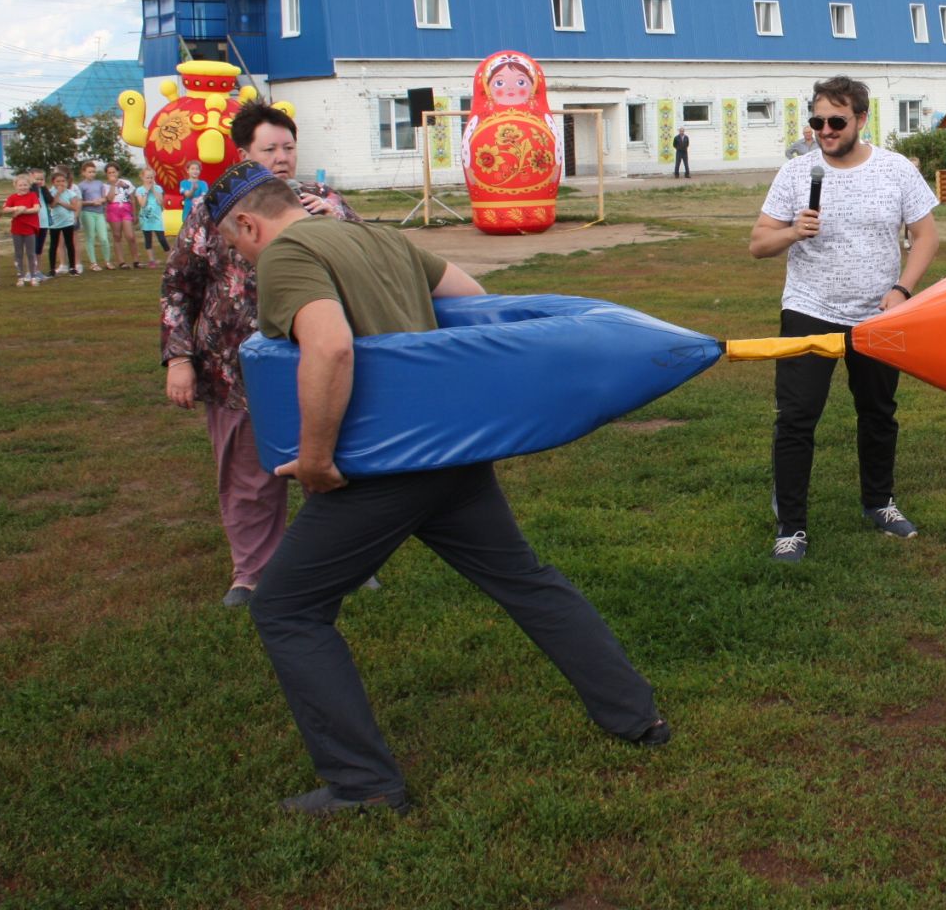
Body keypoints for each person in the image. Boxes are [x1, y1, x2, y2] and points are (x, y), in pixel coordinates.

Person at [202, 163, 666, 815]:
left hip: (382, 469)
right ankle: (637, 716)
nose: (241, 258)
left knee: (285, 608)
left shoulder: (288, 253)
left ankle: (364, 786)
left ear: (249, 223)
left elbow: (330, 348)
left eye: (234, 245)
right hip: (450, 456)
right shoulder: (377, 237)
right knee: (523, 579)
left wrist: (314, 460)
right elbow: (469, 299)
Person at [162, 102, 362, 606]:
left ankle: (344, 563)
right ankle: (253, 573)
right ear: (243, 153)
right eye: (268, 149)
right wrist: (180, 359)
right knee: (248, 476)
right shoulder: (214, 211)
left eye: (288, 148)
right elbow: (178, 286)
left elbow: (367, 260)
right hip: (235, 369)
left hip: (315, 360)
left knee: (329, 465)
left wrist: (335, 220)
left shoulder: (325, 202)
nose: (281, 158)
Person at [750, 77, 939, 562]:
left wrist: (902, 291)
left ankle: (880, 502)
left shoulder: (896, 170)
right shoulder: (796, 173)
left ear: (860, 119)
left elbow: (926, 237)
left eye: (836, 121)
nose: (825, 131)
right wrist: (793, 231)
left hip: (879, 315)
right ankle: (791, 527)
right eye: (817, 122)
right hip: (808, 308)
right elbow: (758, 245)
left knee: (878, 413)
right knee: (795, 418)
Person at [3, 173, 43, 286]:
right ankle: (20, 276)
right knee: (18, 253)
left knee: (31, 253)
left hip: (30, 228)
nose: (23, 187)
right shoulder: (12, 197)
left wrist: (22, 210)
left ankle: (33, 276)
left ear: (29, 185)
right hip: (17, 229)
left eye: (25, 185)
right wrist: (16, 208)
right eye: (20, 185)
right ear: (15, 185)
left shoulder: (32, 196)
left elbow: (36, 209)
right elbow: (5, 209)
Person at [77, 160, 112, 270]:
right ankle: (93, 263)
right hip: (87, 213)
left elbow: (104, 197)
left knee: (104, 238)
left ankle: (107, 261)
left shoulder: (99, 183)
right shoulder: (81, 186)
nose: (92, 174)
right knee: (90, 237)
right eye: (89, 172)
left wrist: (101, 200)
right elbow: (79, 201)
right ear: (83, 172)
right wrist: (91, 202)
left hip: (99, 213)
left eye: (93, 172)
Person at [104, 164, 141, 269]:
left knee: (130, 236)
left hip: (126, 208)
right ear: (106, 174)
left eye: (114, 172)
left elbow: (132, 198)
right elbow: (110, 199)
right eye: (109, 173)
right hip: (113, 210)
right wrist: (113, 185)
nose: (112, 174)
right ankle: (121, 261)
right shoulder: (105, 186)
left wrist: (134, 213)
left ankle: (136, 260)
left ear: (118, 172)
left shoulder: (126, 183)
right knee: (117, 236)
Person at [45, 169, 81, 276]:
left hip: (67, 222)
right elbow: (52, 205)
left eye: (63, 181)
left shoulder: (70, 193)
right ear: (53, 182)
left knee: (70, 244)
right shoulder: (51, 192)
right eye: (58, 181)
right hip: (54, 223)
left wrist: (61, 202)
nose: (61, 183)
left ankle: (72, 267)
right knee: (54, 245)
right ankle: (52, 269)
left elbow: (74, 207)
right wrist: (58, 195)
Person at [136, 175, 169, 267]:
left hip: (157, 218)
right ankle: (151, 260)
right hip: (145, 218)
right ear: (142, 178)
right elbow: (142, 204)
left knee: (162, 239)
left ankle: (170, 259)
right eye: (147, 177)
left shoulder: (158, 188)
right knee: (148, 239)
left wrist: (154, 190)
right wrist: (146, 191)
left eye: (151, 177)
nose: (149, 179)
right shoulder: (139, 190)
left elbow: (160, 202)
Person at [179, 160, 208, 226]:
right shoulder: (183, 183)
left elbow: (204, 196)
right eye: (192, 169)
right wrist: (193, 189)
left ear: (200, 171)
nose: (195, 171)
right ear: (187, 171)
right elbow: (187, 195)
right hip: (188, 212)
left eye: (197, 169)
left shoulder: (203, 183)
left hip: (200, 213)